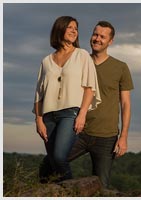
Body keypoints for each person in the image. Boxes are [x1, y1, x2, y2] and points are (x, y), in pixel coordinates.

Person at [34, 16, 101, 182]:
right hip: (48, 117)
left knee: (59, 157)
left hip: (70, 114)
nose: (74, 31)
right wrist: (39, 120)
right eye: (70, 27)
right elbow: (38, 95)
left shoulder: (82, 55)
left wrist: (82, 113)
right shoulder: (46, 61)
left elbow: (89, 88)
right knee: (51, 162)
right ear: (59, 29)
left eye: (76, 28)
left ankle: (74, 192)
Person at [68, 21, 134, 189]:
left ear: (110, 41)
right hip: (77, 130)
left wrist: (124, 136)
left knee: (101, 187)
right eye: (95, 34)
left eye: (102, 36)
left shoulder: (120, 67)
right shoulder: (79, 62)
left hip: (106, 137)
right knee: (51, 164)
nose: (97, 39)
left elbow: (125, 104)